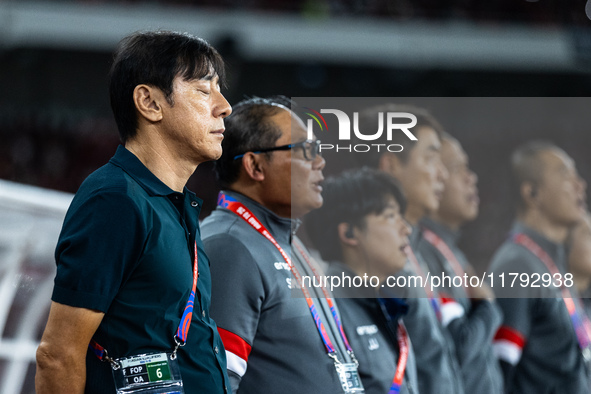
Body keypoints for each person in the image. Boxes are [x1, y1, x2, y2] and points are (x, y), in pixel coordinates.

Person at [35, 30, 233, 394]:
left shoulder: (174, 203)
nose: (224, 106)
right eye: (204, 91)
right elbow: (58, 355)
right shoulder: (114, 200)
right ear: (150, 103)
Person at [202, 96, 364, 394]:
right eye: (305, 150)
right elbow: (215, 382)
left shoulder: (284, 241)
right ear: (255, 165)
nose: (320, 161)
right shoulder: (229, 246)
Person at [356, 104, 464, 394]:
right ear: (390, 166)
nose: (442, 174)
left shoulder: (413, 249)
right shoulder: (370, 257)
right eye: (431, 158)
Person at [306, 167, 419, 394]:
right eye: (390, 216)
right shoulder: (325, 311)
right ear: (349, 233)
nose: (406, 229)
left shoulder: (384, 303)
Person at [489, 141, 590, 394]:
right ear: (532, 193)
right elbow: (499, 372)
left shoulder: (551, 264)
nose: (580, 185)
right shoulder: (517, 265)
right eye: (566, 175)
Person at [417, 133, 503, 394]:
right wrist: (488, 307)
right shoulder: (424, 252)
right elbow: (461, 346)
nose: (471, 177)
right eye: (457, 168)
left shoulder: (450, 250)